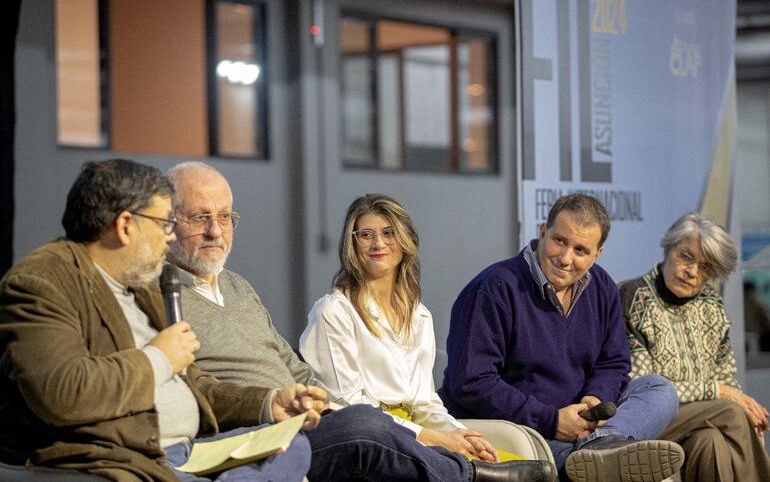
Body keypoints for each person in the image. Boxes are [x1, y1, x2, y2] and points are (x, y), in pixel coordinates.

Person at [166, 160, 557, 482]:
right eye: (200, 218)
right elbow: (192, 386)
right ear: (168, 222)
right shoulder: (163, 295)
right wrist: (427, 436)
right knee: (365, 424)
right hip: (264, 428)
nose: (215, 230)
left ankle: (479, 467)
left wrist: (450, 431)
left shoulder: (239, 287)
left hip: (309, 418)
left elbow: (297, 370)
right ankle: (471, 476)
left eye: (224, 216)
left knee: (367, 423)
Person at [0, 159, 322, 482]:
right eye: (163, 224)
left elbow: (197, 386)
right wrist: (159, 358)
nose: (170, 237)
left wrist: (268, 404)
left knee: (292, 446)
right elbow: (63, 393)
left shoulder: (140, 287)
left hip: (191, 451)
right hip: (126, 459)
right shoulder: (42, 282)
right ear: (126, 225)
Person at [440, 193, 684, 482]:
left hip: (583, 423)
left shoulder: (602, 287)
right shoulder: (493, 289)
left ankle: (601, 446)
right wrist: (552, 420)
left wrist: (596, 400)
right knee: (589, 460)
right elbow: (471, 382)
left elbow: (614, 362)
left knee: (658, 389)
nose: (566, 259)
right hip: (524, 428)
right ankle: (594, 457)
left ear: (598, 253)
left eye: (581, 250)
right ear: (543, 231)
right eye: (559, 241)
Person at [300, 194, 520, 464]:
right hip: (371, 442)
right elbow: (350, 408)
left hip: (419, 434)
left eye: (388, 233)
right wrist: (432, 438)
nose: (378, 243)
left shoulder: (419, 315)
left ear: (405, 240)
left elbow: (425, 402)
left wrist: (460, 434)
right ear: (352, 245)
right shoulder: (334, 312)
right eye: (365, 235)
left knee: (514, 466)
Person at [620, 213, 770, 482]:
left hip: (702, 423)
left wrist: (730, 395)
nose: (692, 272)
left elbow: (725, 377)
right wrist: (718, 392)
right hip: (645, 420)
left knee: (710, 442)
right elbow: (644, 388)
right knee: (733, 411)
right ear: (669, 248)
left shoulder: (712, 304)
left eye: (705, 268)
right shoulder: (633, 297)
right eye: (686, 256)